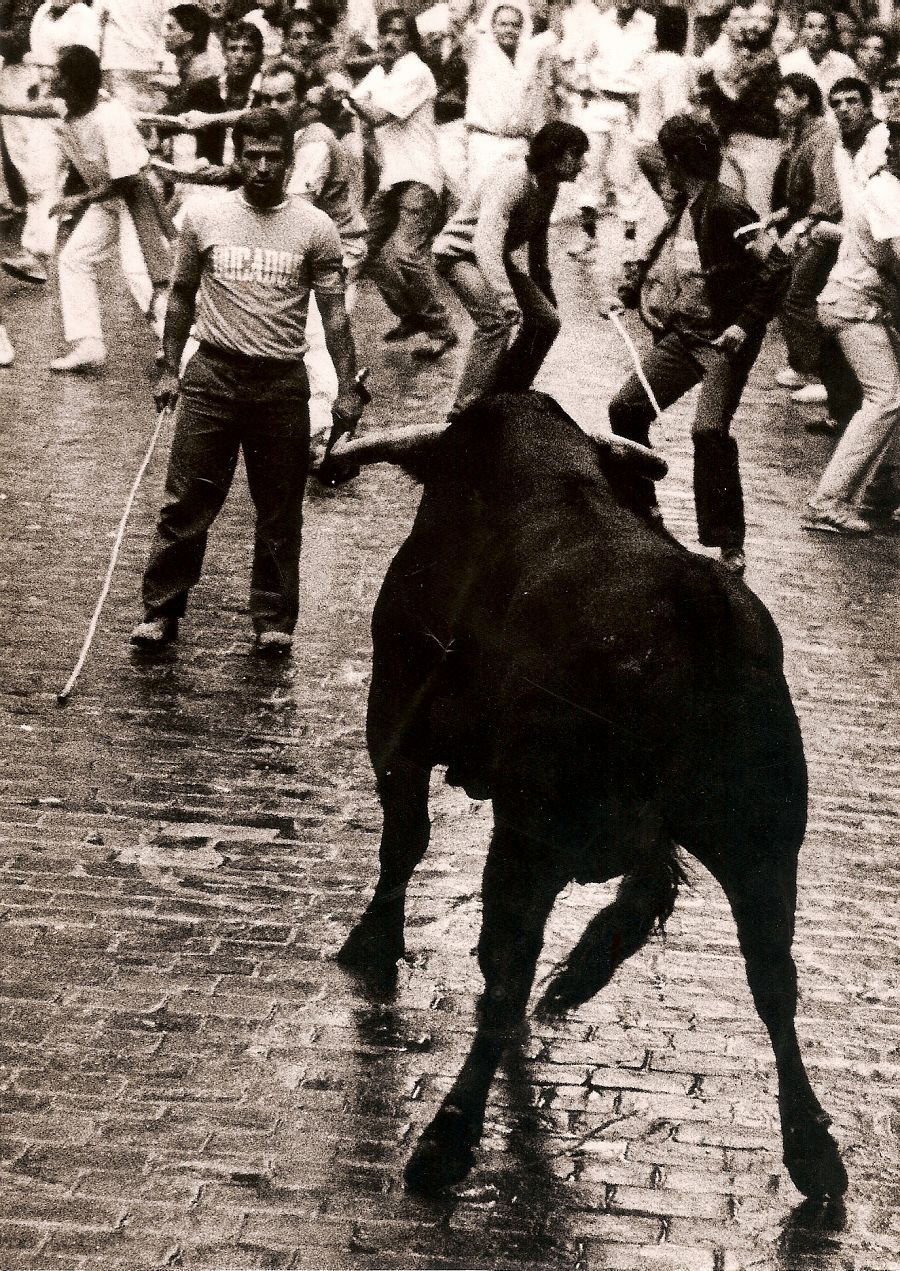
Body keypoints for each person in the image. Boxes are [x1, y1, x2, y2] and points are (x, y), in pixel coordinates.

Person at [131, 107, 365, 654]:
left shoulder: (316, 227)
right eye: (252, 156)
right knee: (185, 503)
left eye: (274, 158)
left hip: (281, 384)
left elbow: (334, 316)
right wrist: (168, 365)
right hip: (213, 375)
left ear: (289, 162)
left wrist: (349, 387)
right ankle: (161, 612)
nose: (262, 168)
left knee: (279, 510)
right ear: (239, 157)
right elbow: (182, 294)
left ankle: (273, 620)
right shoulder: (203, 216)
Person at [605, 113, 789, 575]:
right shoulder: (686, 205)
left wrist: (744, 326)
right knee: (627, 409)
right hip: (685, 338)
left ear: (674, 161)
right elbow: (672, 263)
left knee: (708, 431)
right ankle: (641, 509)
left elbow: (778, 267)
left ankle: (729, 545)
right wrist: (629, 293)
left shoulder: (727, 205)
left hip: (722, 342)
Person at [433, 120, 588, 418]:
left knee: (546, 322)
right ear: (554, 154)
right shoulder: (512, 180)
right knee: (495, 321)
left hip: (491, 258)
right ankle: (465, 410)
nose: (582, 164)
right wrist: (506, 297)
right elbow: (485, 243)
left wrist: (545, 291)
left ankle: (506, 395)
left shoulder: (548, 187)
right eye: (576, 154)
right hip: (458, 255)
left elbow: (538, 246)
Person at [803, 119, 900, 534]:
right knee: (886, 397)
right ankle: (828, 502)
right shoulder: (886, 192)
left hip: (864, 303)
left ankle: (879, 494)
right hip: (853, 304)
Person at [47, 44, 170, 372]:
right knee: (74, 260)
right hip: (106, 197)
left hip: (134, 197)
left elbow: (127, 179)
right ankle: (88, 343)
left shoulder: (109, 117)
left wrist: (79, 199)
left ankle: (182, 345)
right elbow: (39, 108)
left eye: (59, 73)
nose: (52, 77)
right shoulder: (69, 109)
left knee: (139, 273)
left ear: (75, 81)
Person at [344, 8, 456, 360]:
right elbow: (356, 105)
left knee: (410, 255)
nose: (391, 40)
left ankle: (441, 328)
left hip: (420, 176)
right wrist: (344, 95)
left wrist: (343, 90)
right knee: (364, 248)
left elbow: (375, 114)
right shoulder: (381, 71)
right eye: (386, 33)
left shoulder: (416, 71)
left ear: (411, 40)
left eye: (399, 33)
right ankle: (412, 315)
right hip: (392, 177)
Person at [770, 72, 841, 404]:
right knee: (794, 292)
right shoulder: (799, 134)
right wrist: (776, 218)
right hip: (808, 219)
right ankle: (806, 366)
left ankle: (821, 373)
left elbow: (826, 198)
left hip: (826, 226)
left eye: (785, 98)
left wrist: (800, 228)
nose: (778, 105)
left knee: (799, 295)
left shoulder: (823, 137)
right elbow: (798, 196)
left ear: (804, 101)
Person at [455, 0, 560, 194]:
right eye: (503, 24)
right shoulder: (478, 50)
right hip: (486, 142)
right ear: (492, 26)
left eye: (514, 25)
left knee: (517, 206)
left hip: (520, 144)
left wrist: (553, 4)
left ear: (522, 28)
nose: (509, 30)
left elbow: (555, 33)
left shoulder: (529, 53)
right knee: (482, 205)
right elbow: (458, 23)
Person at [694, 0, 782, 217]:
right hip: (732, 140)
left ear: (772, 27)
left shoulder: (766, 59)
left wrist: (709, 81)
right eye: (749, 19)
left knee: (755, 212)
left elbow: (733, 94)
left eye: (762, 20)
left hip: (759, 144)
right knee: (731, 211)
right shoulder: (735, 55)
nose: (751, 25)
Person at [95, 0, 168, 113]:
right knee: (146, 117)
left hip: (117, 59)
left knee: (119, 115)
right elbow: (169, 22)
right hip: (149, 61)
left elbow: (97, 24)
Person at [779, 4, 857, 100]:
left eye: (823, 27)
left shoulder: (845, 63)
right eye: (810, 27)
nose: (817, 33)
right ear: (801, 31)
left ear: (830, 31)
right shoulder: (786, 62)